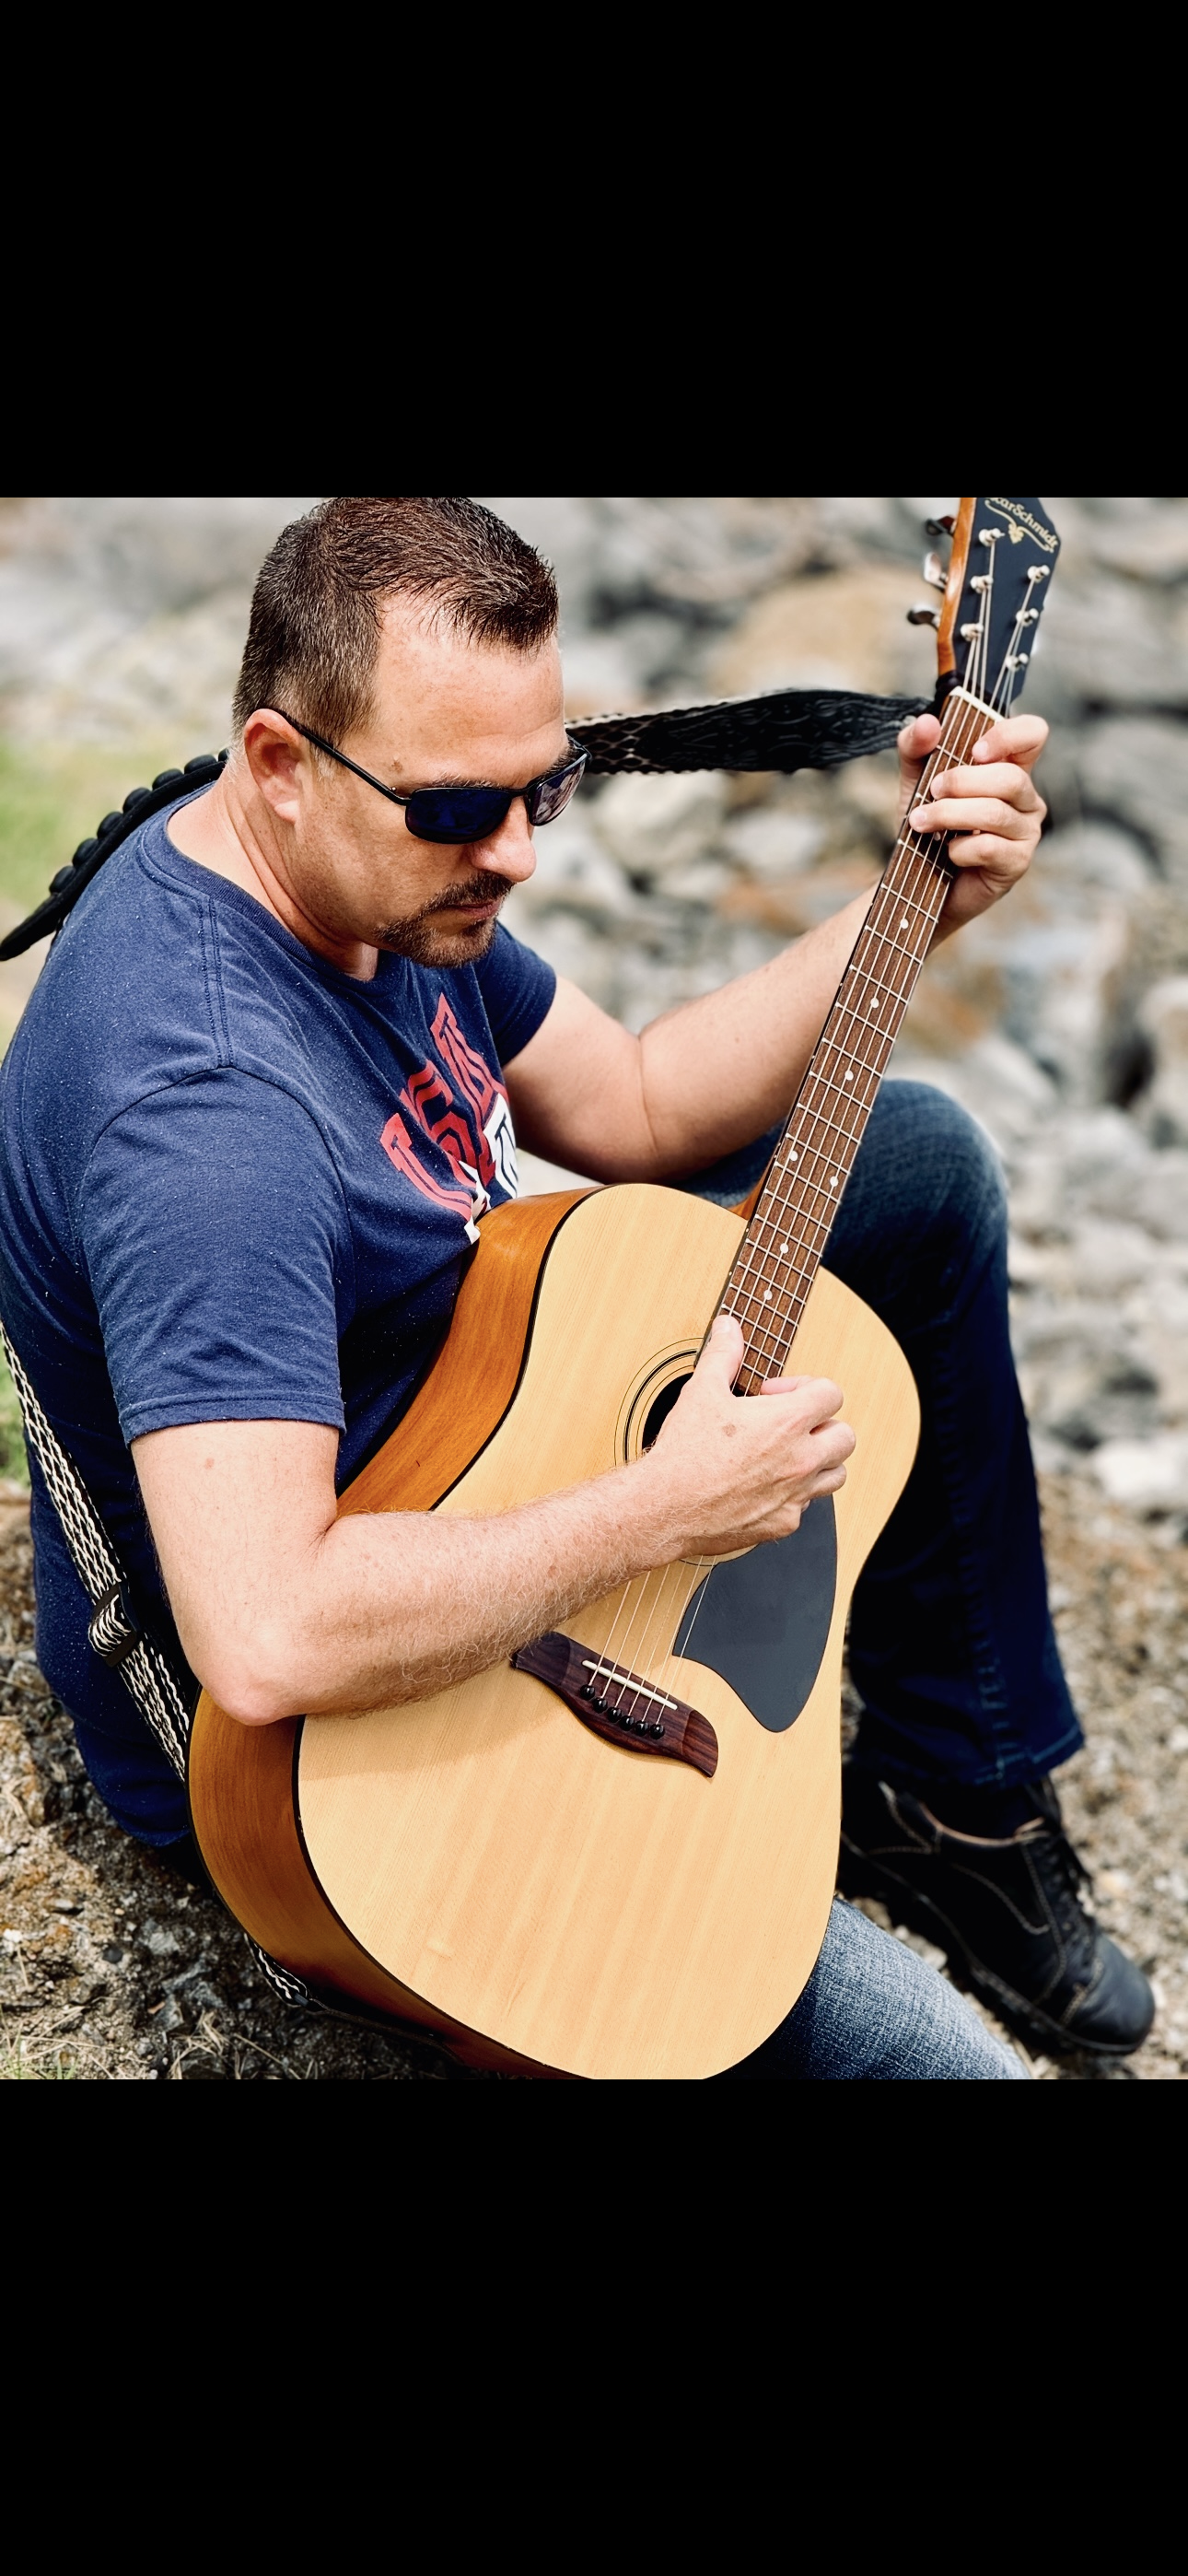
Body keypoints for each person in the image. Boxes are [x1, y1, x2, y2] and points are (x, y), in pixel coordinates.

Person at [0, 498, 1149, 2077]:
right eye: (468, 805)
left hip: (468, 1426)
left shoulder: (379, 864)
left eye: (547, 786)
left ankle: (953, 1807)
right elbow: (272, 1634)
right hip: (340, 1735)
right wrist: (659, 1514)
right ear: (276, 762)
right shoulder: (205, 1117)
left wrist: (913, 903)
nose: (517, 854)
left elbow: (635, 1104)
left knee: (916, 1165)